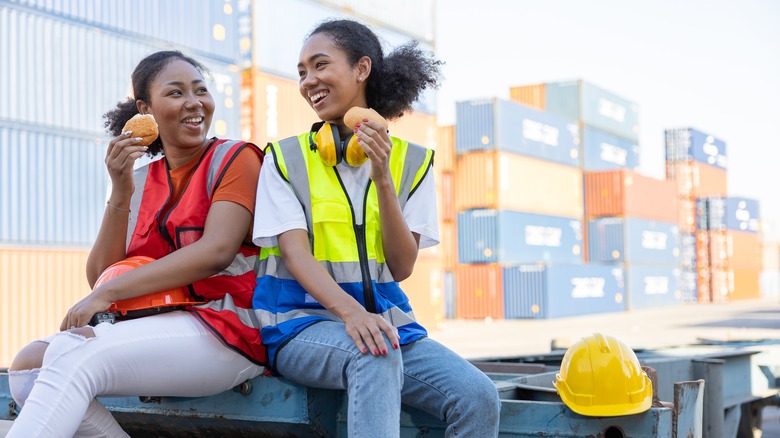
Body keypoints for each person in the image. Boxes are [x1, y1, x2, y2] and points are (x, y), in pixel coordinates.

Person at [252, 19, 501, 437]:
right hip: (298, 325)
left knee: (477, 396)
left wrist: (382, 177)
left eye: (319, 65)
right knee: (376, 353)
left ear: (361, 69)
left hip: (386, 324)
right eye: (301, 72)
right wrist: (351, 314)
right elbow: (294, 254)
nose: (308, 81)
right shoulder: (284, 159)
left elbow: (401, 267)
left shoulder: (413, 162)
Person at [7, 50, 266, 437]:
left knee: (72, 353)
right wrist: (121, 191)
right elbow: (101, 276)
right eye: (176, 93)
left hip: (228, 327)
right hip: (161, 326)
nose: (194, 103)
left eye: (200, 90)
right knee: (26, 369)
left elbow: (217, 251)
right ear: (145, 110)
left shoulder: (235, 158)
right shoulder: (142, 179)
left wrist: (106, 293)